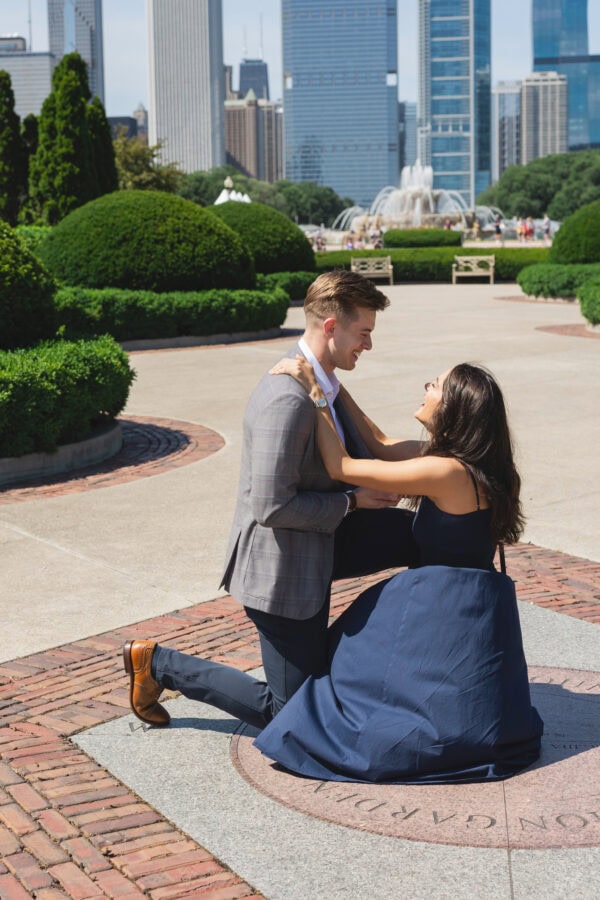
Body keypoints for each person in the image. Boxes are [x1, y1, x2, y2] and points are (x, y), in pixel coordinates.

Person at [123, 271, 420, 731]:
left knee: (424, 537)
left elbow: (376, 443)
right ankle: (158, 665)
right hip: (281, 571)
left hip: (320, 544)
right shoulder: (288, 397)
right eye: (364, 333)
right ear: (330, 327)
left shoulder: (322, 384)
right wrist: (353, 503)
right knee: (293, 717)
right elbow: (272, 507)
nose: (368, 344)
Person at [254, 360, 543, 783]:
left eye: (436, 385)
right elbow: (383, 444)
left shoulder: (443, 471)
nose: (426, 387)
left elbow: (343, 467)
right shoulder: (468, 463)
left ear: (455, 408)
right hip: (469, 617)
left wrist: (314, 394)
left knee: (341, 702)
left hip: (441, 619)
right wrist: (333, 383)